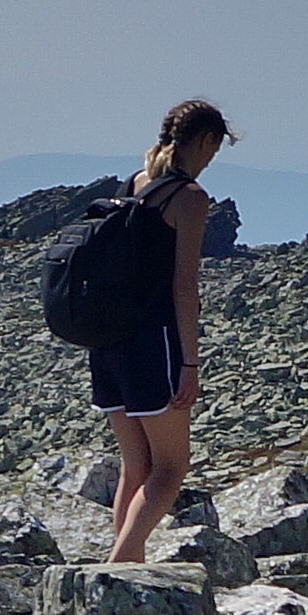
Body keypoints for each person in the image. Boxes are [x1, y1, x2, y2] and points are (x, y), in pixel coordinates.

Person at [89, 99, 232, 567]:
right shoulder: (188, 198)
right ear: (206, 141)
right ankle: (119, 569)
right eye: (216, 148)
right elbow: (183, 287)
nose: (213, 159)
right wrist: (190, 364)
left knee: (137, 465)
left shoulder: (135, 183)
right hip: (155, 343)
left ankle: (127, 565)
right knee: (171, 469)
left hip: (108, 340)